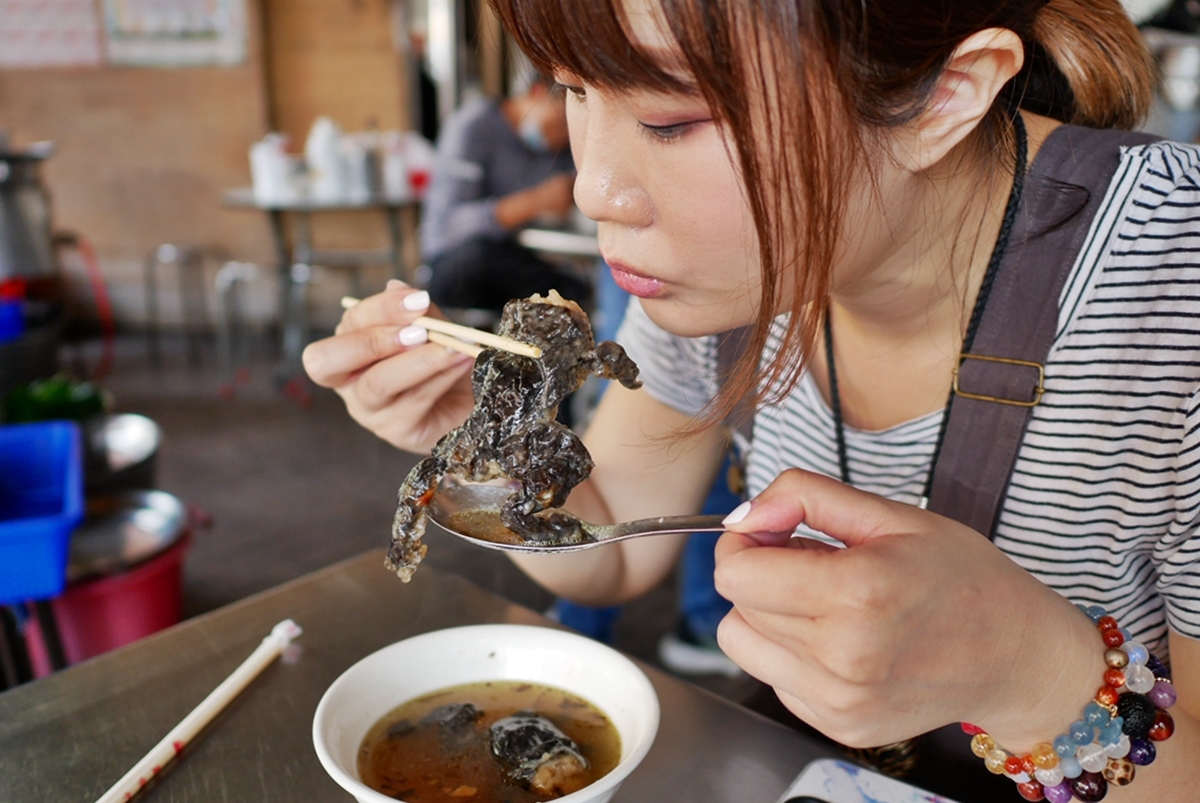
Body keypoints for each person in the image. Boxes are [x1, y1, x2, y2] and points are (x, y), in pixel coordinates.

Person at [303, 0, 1199, 800]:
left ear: (947, 96)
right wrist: (482, 435)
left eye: (671, 117)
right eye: (574, 88)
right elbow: (609, 541)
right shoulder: (729, 273)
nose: (592, 190)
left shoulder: (1175, 290)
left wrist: (1028, 672)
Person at [420, 78, 591, 312]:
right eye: (562, 123)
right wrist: (536, 201)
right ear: (537, 93)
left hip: (521, 259)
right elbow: (449, 227)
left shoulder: (560, 148)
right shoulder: (474, 127)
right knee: (479, 259)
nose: (564, 137)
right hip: (456, 264)